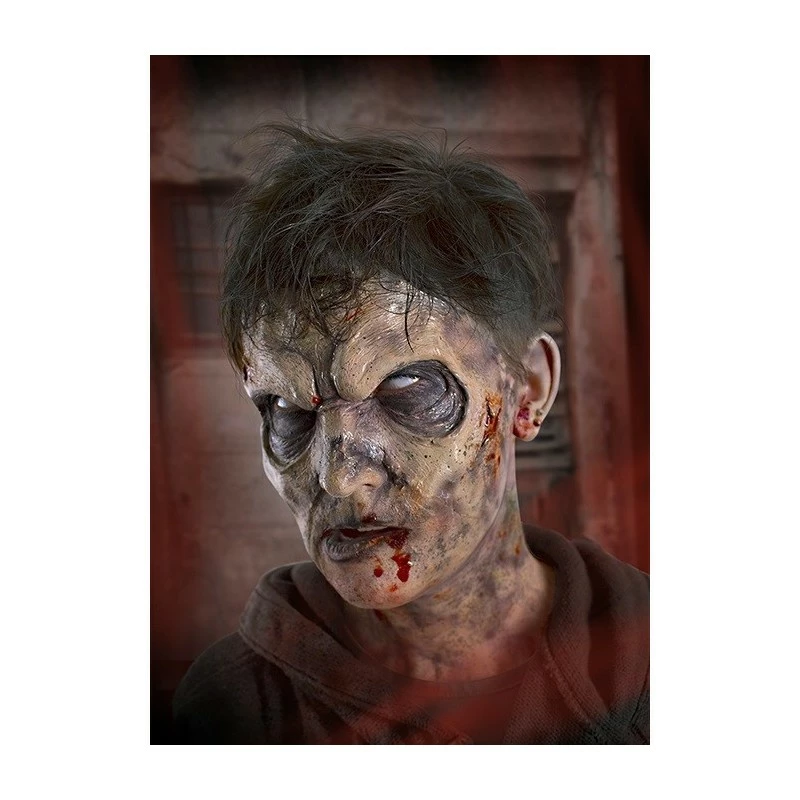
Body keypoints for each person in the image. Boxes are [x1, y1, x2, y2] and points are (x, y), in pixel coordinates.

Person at [172, 125, 649, 745]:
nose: (340, 476)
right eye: (287, 409)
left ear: (528, 390)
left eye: (407, 390)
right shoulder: (229, 712)